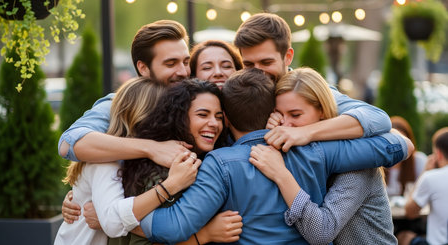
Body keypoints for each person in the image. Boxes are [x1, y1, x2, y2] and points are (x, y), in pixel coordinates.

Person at [139, 68, 413, 244]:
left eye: (296, 115)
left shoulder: (220, 163)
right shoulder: (321, 150)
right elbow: (396, 146)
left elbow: (173, 227)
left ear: (227, 119)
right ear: (273, 109)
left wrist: (124, 217)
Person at [60, 20, 193, 224]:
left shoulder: (198, 101)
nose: (183, 71)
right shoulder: (122, 104)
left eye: (186, 61)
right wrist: (151, 148)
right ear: (143, 68)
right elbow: (69, 143)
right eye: (171, 63)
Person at [249, 67, 397, 244]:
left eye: (295, 114)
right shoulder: (300, 150)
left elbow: (320, 232)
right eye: (280, 114)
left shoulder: (356, 161)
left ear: (322, 111)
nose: (285, 124)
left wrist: (281, 174)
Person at [54, 77, 200, 244]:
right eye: (164, 117)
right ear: (142, 118)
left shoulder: (125, 157)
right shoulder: (105, 163)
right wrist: (171, 185)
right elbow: (113, 223)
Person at [234, 13, 393, 153]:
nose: (258, 73)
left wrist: (304, 132)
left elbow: (377, 118)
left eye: (266, 62)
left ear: (288, 56)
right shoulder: (238, 93)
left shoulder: (305, 89)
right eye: (248, 65)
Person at [114, 79, 242, 244]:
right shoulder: (163, 170)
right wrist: (204, 235)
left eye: (218, 117)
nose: (214, 124)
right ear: (179, 117)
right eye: (202, 115)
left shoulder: (204, 161)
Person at [400, 127, 448, 245]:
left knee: (403, 236)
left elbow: (410, 212)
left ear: (438, 154)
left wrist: (424, 173)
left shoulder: (431, 177)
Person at [387, 116, 428, 196]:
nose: (398, 146)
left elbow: (423, 191)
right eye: (394, 140)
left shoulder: (418, 160)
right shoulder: (378, 162)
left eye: (402, 141)